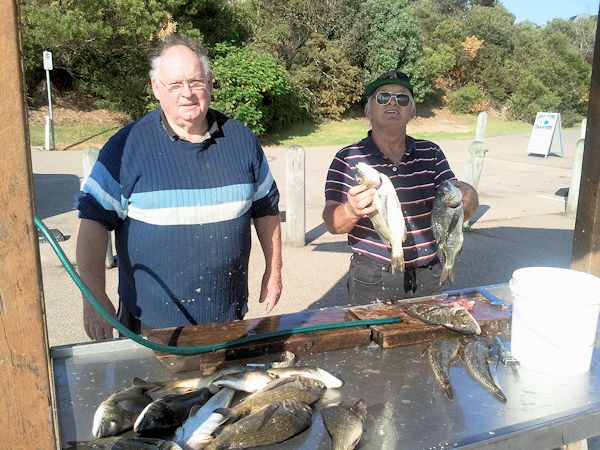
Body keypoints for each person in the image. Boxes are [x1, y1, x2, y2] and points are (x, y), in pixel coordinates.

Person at [76, 35, 282, 341]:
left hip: (227, 318)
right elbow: (93, 223)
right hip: (150, 326)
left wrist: (274, 269)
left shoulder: (242, 141)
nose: (187, 93)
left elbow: (266, 209)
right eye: (174, 85)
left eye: (196, 81)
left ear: (210, 83)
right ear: (156, 89)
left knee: (223, 388)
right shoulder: (126, 147)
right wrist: (93, 299)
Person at [323, 70, 478, 304]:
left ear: (412, 112)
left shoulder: (432, 153)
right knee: (374, 340)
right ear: (368, 110)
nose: (393, 103)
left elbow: (465, 207)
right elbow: (332, 224)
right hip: (373, 275)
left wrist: (468, 195)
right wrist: (350, 211)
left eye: (402, 98)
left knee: (429, 339)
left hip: (430, 272)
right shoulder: (346, 158)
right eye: (383, 97)